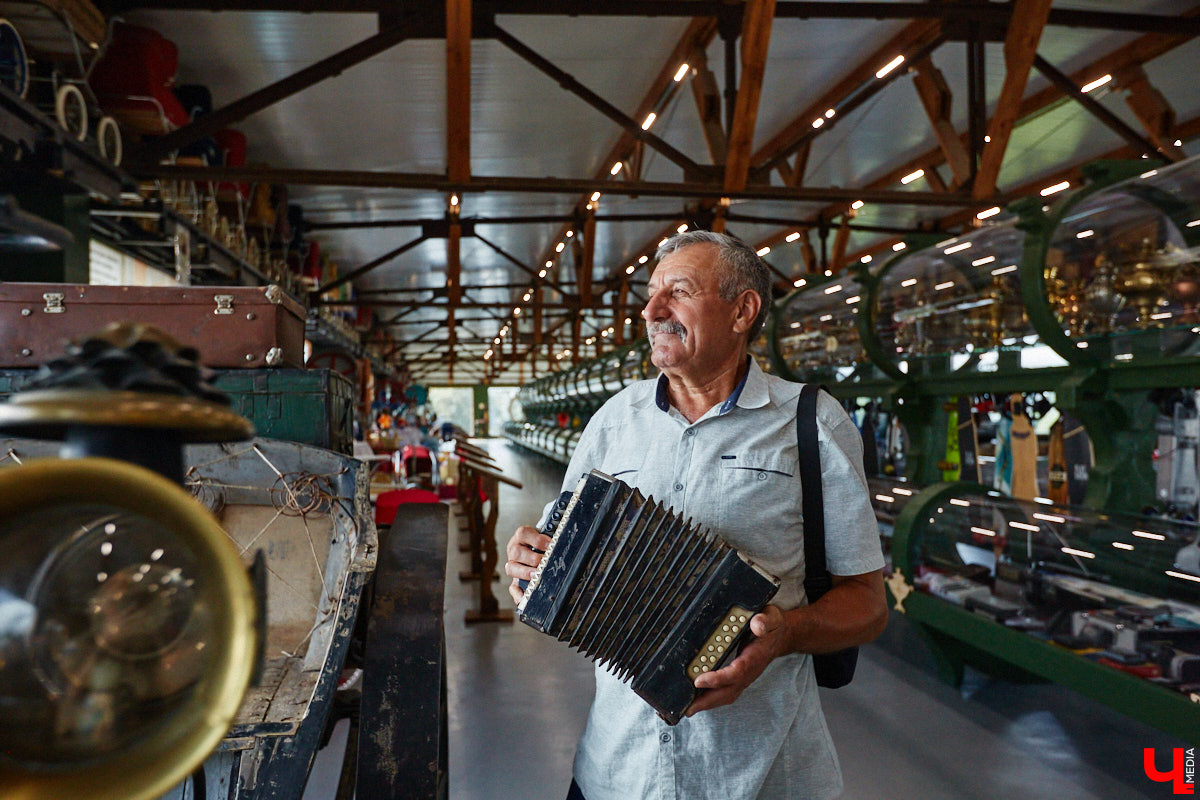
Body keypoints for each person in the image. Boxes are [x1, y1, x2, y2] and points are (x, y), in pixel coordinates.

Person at [504, 230, 888, 800]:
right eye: (651, 294)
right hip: (619, 771)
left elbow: (868, 604)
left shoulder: (811, 424)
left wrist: (784, 635)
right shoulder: (613, 421)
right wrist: (528, 564)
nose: (652, 310)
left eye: (677, 292)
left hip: (760, 776)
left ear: (742, 310)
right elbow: (556, 551)